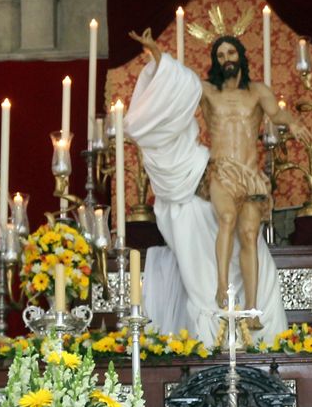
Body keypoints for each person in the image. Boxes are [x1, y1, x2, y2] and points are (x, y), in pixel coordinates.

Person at [124, 26, 291, 341]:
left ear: (240, 56)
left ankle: (252, 309)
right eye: (220, 55)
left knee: (250, 235)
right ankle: (221, 289)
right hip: (220, 170)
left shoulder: (257, 91)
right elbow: (178, 85)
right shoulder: (208, 92)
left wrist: (294, 124)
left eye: (230, 52)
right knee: (227, 218)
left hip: (250, 174)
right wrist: (156, 55)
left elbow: (277, 114)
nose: (226, 58)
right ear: (215, 61)